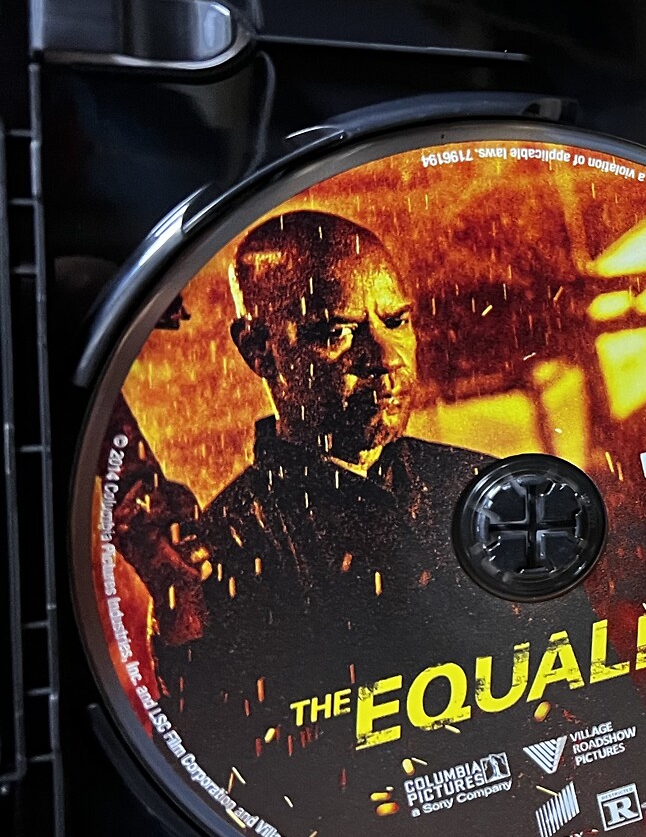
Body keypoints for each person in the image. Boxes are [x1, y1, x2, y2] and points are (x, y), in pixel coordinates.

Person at [125, 211, 501, 701]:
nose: (386, 358)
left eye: (396, 321)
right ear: (258, 350)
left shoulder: (480, 482)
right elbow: (212, 728)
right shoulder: (222, 551)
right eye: (334, 333)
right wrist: (180, 608)